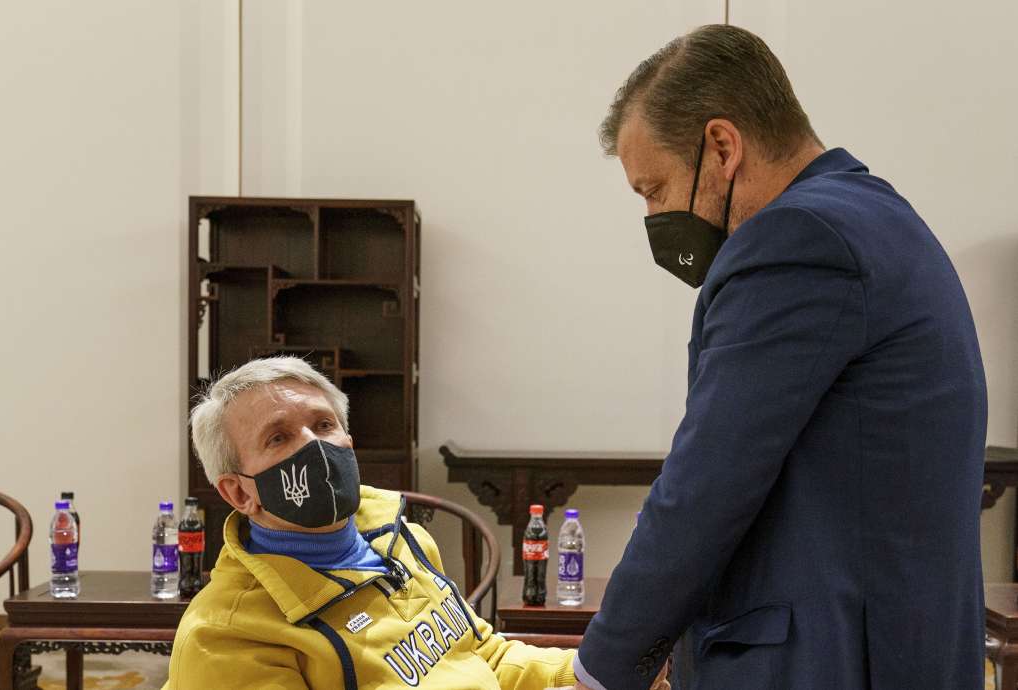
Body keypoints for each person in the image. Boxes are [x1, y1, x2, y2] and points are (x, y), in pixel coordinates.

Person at [572, 24, 987, 690]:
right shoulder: (879, 218)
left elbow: (708, 481)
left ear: (722, 145)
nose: (654, 219)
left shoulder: (798, 240)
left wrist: (602, 668)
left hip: (825, 663)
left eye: (653, 190)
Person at [163, 356, 591, 689]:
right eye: (278, 437)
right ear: (239, 492)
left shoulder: (407, 539)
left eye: (323, 424)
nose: (314, 445)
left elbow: (482, 654)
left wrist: (584, 674)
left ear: (348, 439)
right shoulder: (225, 635)